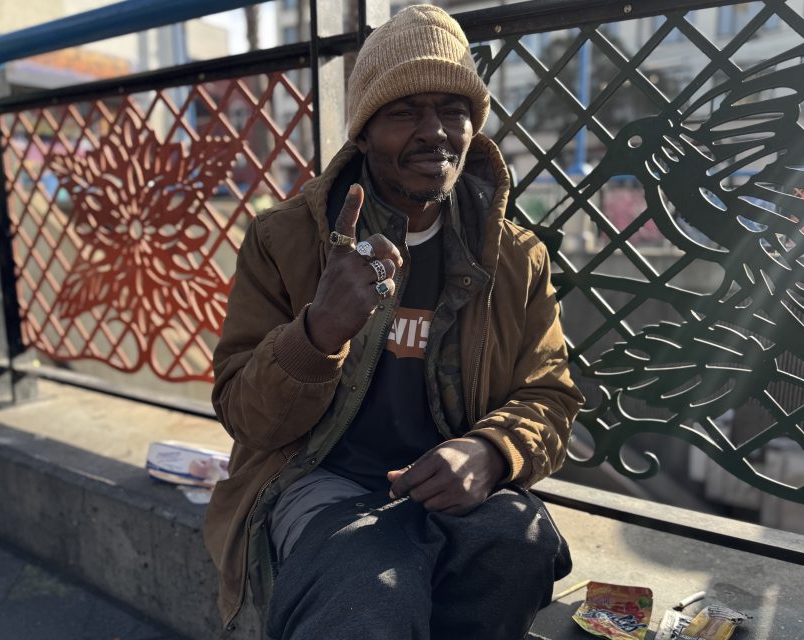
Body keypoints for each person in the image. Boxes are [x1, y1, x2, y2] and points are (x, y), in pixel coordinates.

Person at [204, 5, 584, 639]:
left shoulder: (516, 257)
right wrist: (318, 332)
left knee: (518, 547)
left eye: (453, 110)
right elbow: (242, 413)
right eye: (405, 112)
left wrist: (490, 452)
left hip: (454, 488)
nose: (434, 132)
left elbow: (550, 395)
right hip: (317, 479)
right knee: (365, 594)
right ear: (363, 131)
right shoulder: (284, 239)